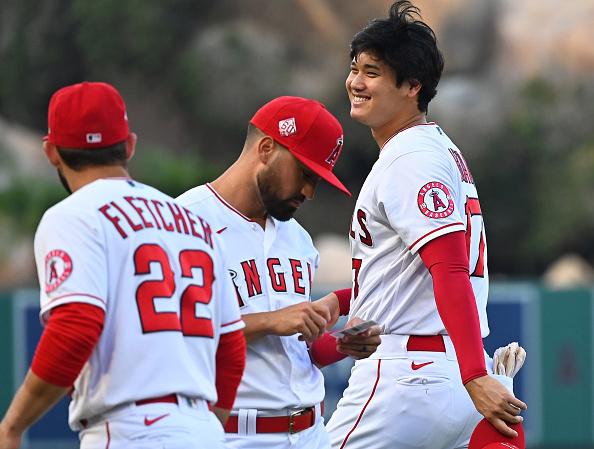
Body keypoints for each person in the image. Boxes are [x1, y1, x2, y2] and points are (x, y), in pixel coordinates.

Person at [0, 82, 246, 449]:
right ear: (129, 145)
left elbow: (76, 326)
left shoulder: (73, 215)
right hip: (202, 429)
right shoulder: (195, 223)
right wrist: (201, 428)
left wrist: (13, 425)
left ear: (51, 152)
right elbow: (230, 346)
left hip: (130, 429)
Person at [325, 2, 527, 448]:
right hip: (444, 373)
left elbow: (449, 267)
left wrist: (476, 375)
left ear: (412, 85)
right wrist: (342, 302)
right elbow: (411, 272)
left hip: (409, 376)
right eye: (355, 67)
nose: (355, 82)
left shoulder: (412, 158)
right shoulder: (434, 149)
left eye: (372, 72)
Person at [177, 96, 382, 449]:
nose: (309, 192)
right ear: (267, 148)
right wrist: (271, 320)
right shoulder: (185, 222)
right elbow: (179, 339)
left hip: (311, 432)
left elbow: (296, 351)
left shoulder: (298, 239)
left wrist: (339, 345)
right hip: (232, 433)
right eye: (305, 174)